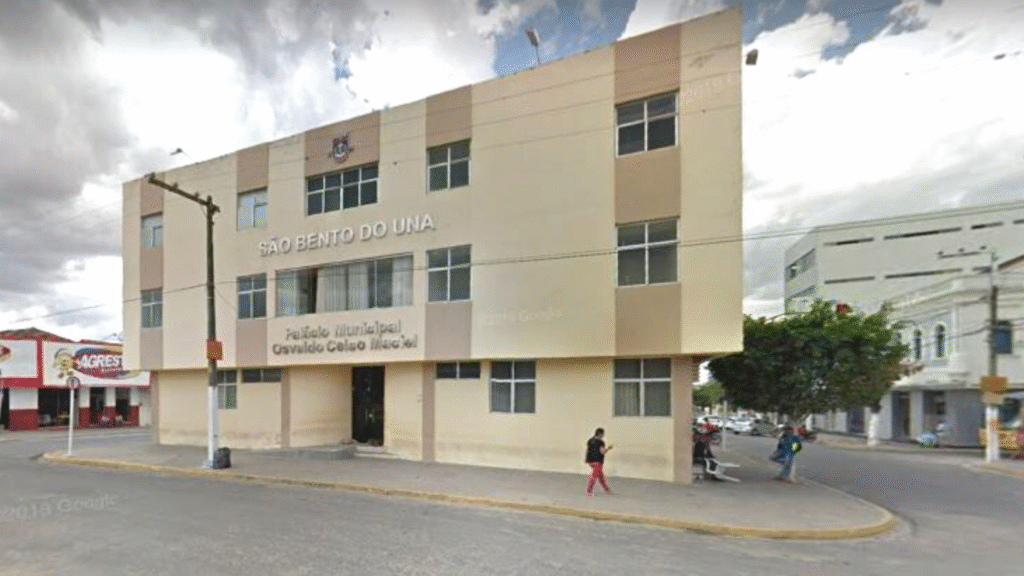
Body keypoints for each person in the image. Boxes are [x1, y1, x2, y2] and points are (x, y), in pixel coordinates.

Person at [585, 427, 613, 496]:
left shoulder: (590, 440)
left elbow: (588, 450)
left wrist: (587, 459)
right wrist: (608, 448)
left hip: (590, 460)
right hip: (597, 461)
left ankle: (606, 489)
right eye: (603, 434)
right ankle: (589, 491)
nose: (603, 435)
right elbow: (602, 452)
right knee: (594, 476)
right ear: (600, 434)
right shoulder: (600, 442)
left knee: (600, 476)